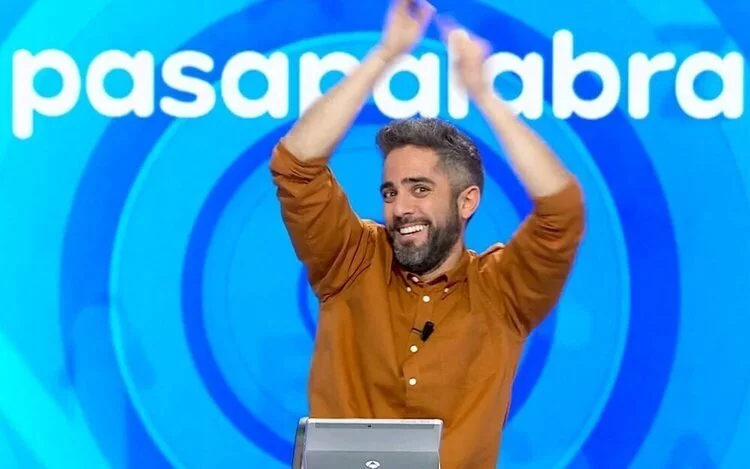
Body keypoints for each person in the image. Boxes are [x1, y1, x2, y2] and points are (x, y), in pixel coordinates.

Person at [270, 0, 585, 467]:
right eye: (390, 192)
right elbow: (296, 165)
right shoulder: (350, 259)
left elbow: (562, 211)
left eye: (420, 189)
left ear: (467, 202)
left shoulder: (503, 291)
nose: (401, 208)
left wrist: (485, 96)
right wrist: (386, 53)